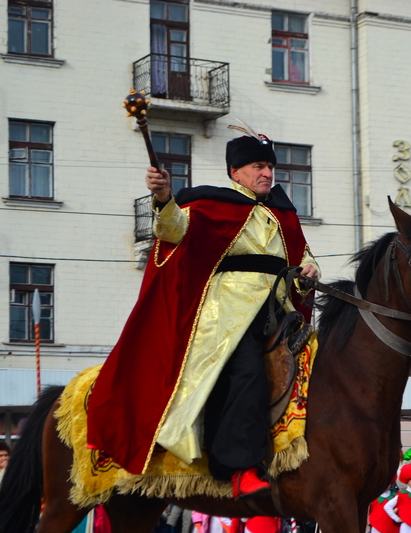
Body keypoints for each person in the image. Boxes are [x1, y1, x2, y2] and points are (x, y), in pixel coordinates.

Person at [86, 126, 320, 497]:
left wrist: (310, 271)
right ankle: (239, 468)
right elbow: (174, 230)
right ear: (235, 172)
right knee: (247, 374)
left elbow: (303, 257)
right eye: (259, 166)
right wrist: (163, 197)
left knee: (320, 364)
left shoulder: (283, 214)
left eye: (270, 167)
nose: (267, 173)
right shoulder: (213, 204)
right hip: (228, 314)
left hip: (278, 308)